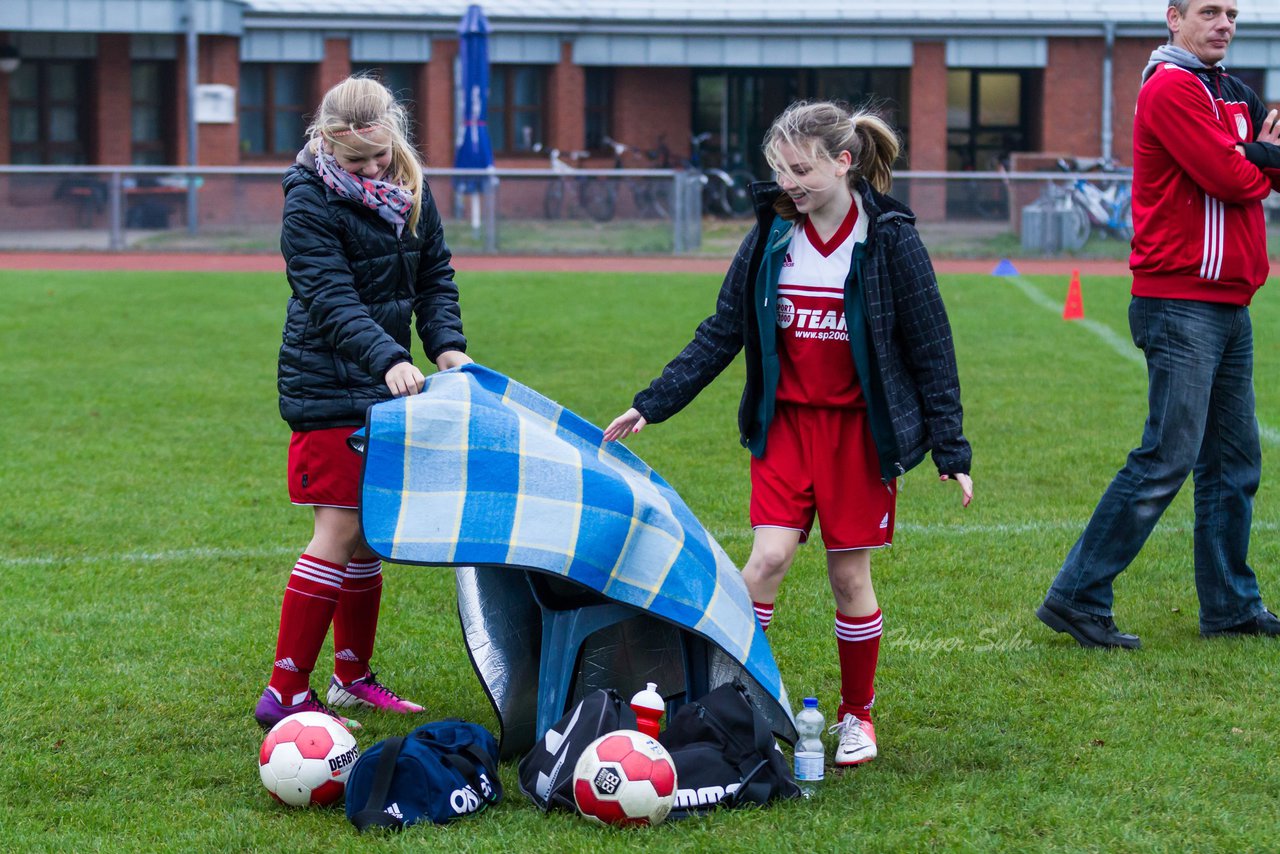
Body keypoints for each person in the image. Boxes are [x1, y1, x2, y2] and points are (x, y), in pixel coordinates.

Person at [604, 101, 972, 766]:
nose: (789, 184)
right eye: (779, 171)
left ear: (843, 161)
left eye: (800, 170)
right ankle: (732, 699)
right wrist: (653, 403)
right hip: (785, 429)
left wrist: (951, 446)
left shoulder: (889, 238)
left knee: (848, 579)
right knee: (766, 562)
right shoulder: (773, 235)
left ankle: (857, 716)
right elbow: (723, 329)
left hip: (859, 438)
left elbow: (932, 345)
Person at [1036, 0, 1280, 649]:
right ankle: (1078, 594)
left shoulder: (1230, 92)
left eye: (1232, 12)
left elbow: (1256, 167)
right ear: (1174, 18)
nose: (1224, 23)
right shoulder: (1171, 87)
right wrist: (1260, 156)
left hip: (1229, 300)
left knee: (1233, 459)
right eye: (1209, 11)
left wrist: (1256, 155)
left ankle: (1230, 605)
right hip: (1180, 301)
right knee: (1168, 454)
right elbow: (1230, 176)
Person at [253, 76, 471, 729]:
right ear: (326, 144)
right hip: (327, 382)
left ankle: (351, 678)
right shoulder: (307, 202)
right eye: (357, 161)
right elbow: (329, 298)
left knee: (369, 536)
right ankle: (285, 690)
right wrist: (389, 358)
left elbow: (435, 277)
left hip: (382, 380)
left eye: (380, 154)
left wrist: (447, 347)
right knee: (340, 529)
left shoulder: (409, 188)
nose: (373, 168)